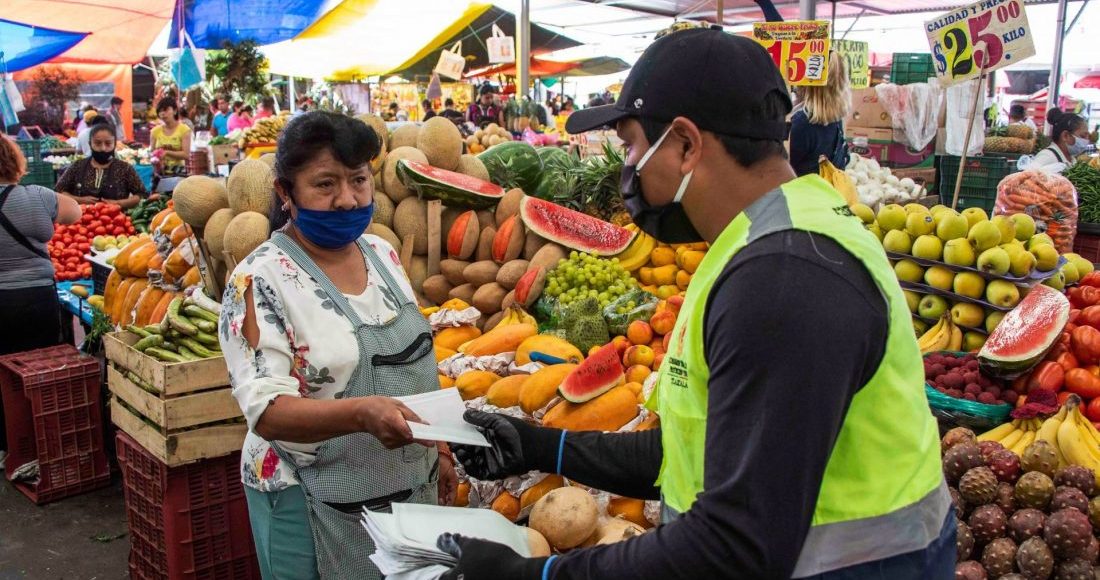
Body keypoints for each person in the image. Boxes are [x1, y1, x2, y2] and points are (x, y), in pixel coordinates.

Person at [441, 28, 952, 580]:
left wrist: (536, 576)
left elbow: (734, 545)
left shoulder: (784, 279)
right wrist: (542, 446)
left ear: (685, 144)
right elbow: (702, 451)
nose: (629, 167)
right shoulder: (764, 241)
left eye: (633, 145)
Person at [219, 111, 457, 580]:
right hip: (305, 496)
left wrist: (440, 450)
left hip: (407, 485)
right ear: (286, 193)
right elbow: (267, 412)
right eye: (325, 185)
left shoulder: (384, 255)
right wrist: (360, 414)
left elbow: (413, 364)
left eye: (358, 180)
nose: (347, 200)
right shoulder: (258, 279)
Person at [0, 137, 82, 462]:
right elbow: (74, 212)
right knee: (43, 369)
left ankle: (10, 445)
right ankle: (46, 441)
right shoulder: (37, 195)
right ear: (14, 161)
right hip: (38, 297)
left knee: (4, 374)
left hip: (1, 302)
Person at [788, 51, 851, 176]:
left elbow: (785, 169)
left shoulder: (802, 123)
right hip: (827, 192)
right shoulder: (836, 117)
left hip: (803, 193)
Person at [56, 125, 147, 209]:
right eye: (98, 143)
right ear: (90, 144)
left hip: (116, 222)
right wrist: (79, 200)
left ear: (114, 144)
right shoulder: (77, 166)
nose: (103, 148)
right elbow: (59, 190)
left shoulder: (125, 168)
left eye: (108, 143)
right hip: (81, 221)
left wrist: (118, 203)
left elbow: (140, 194)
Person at [150, 98, 192, 176]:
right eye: (160, 111)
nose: (162, 113)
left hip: (178, 173)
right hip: (159, 173)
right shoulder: (154, 131)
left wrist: (167, 153)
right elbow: (152, 153)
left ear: (175, 111)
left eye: (166, 110)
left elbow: (186, 155)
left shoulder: (184, 130)